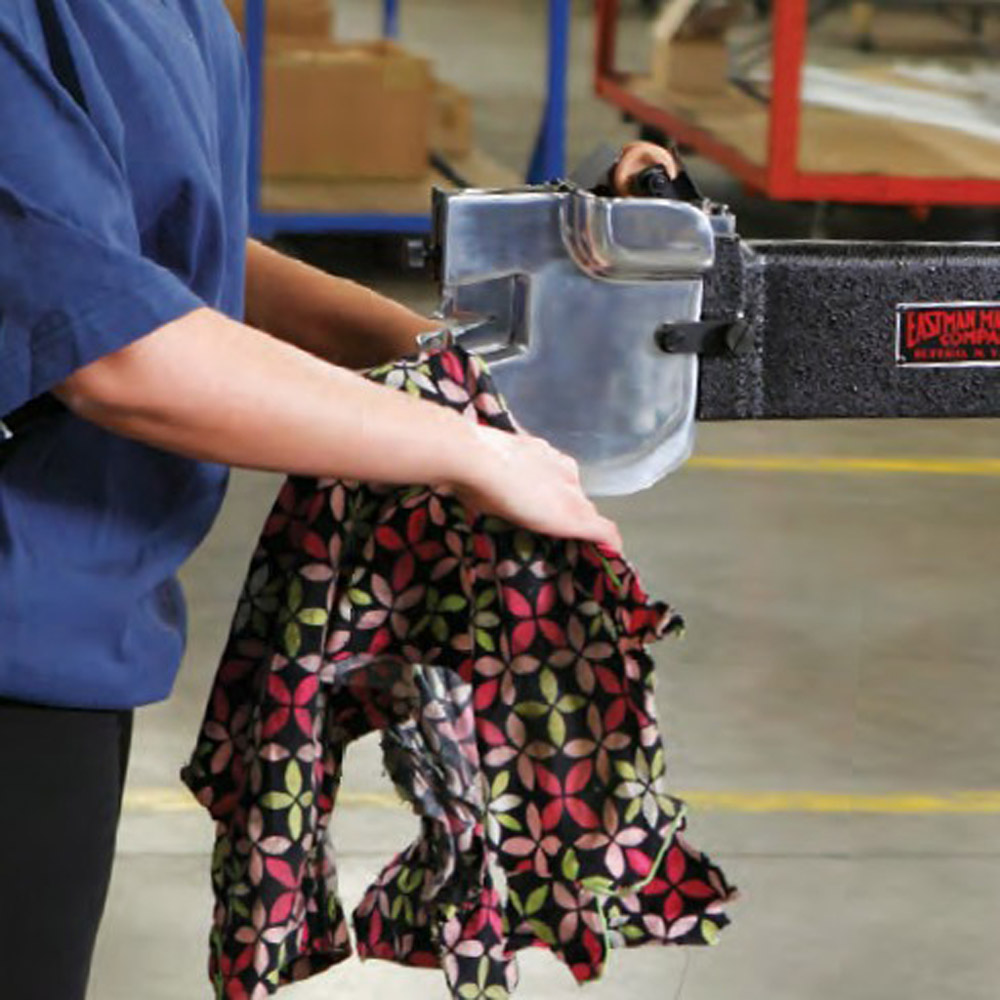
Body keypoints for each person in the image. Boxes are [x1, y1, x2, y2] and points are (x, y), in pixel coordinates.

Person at [0, 3, 678, 998]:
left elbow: (160, 257)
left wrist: (431, 360)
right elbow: (114, 349)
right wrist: (459, 451)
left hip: (83, 625)